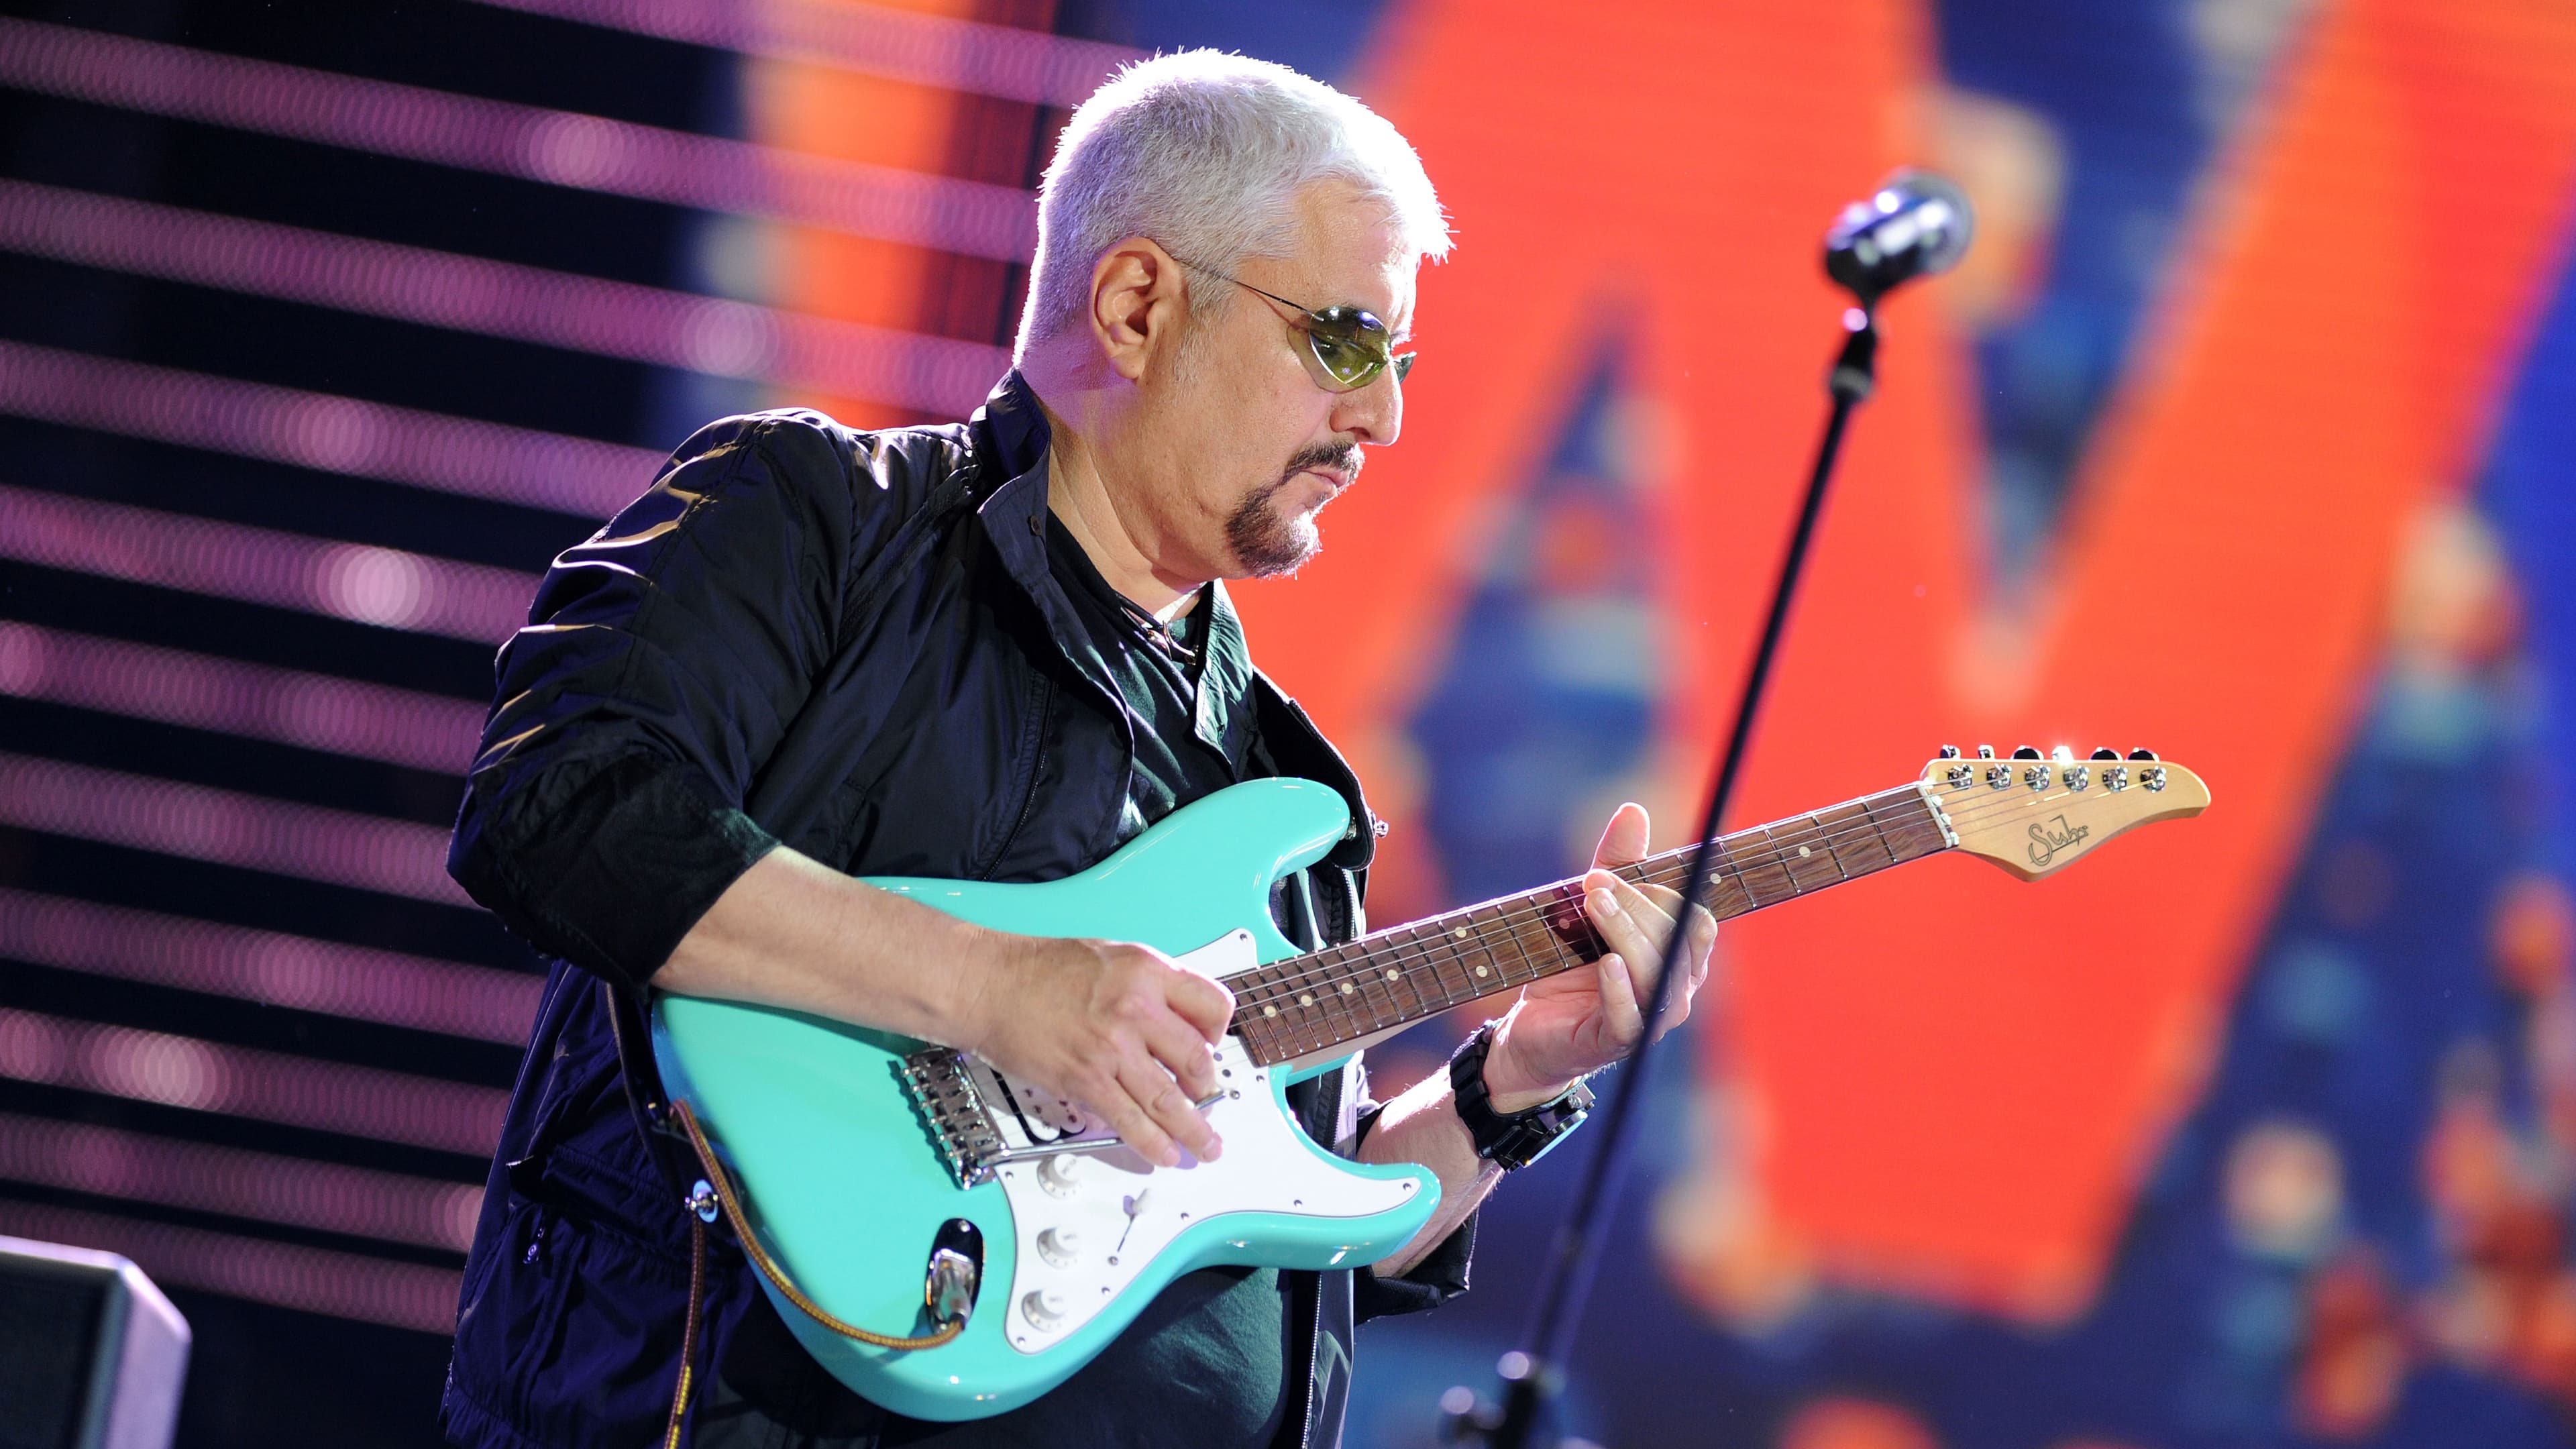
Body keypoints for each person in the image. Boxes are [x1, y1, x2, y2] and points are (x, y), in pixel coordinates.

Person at [439, 50, 1716, 1449]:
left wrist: (1508, 1082)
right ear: (1136, 303)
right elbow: (559, 809)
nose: (1383, 420)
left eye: (1400, 364)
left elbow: (1249, 1225)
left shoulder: (1278, 786)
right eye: (1345, 344)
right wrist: (997, 991)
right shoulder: (815, 518)